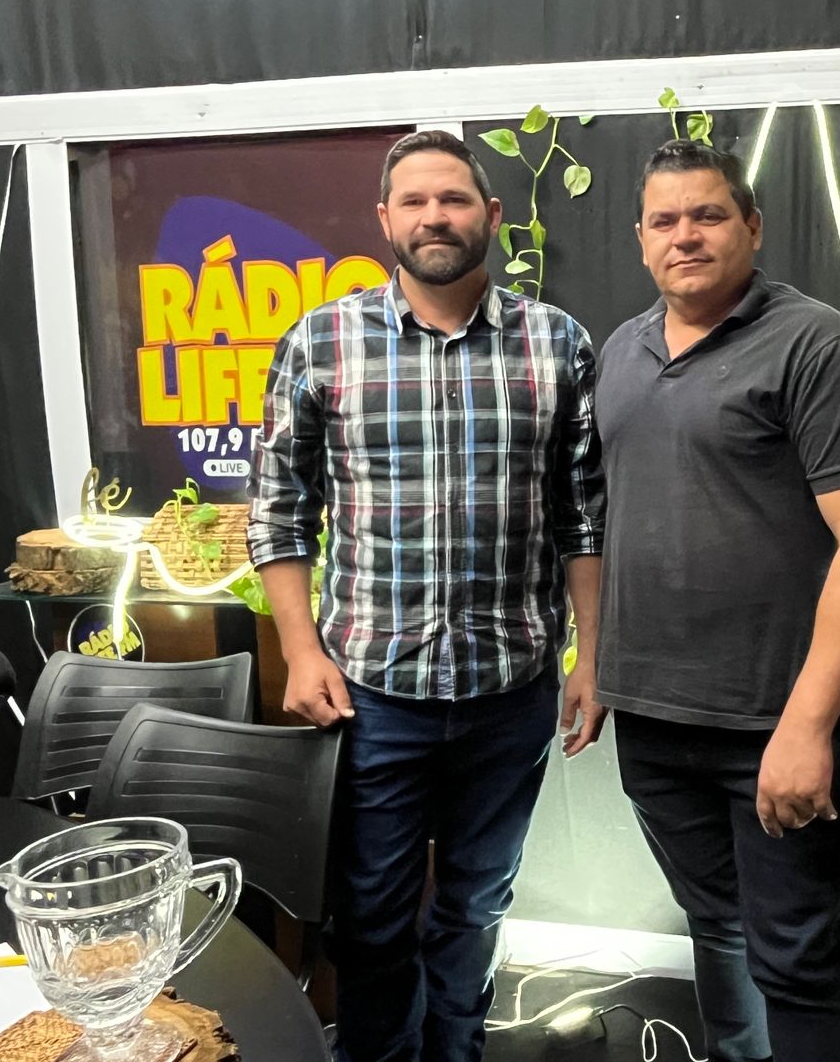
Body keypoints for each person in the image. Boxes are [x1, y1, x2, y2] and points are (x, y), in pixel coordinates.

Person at [247, 129, 606, 1062]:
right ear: (385, 219)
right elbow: (278, 515)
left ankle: (457, 1052)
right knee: (370, 916)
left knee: (476, 905)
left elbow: (584, 520)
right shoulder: (322, 342)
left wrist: (592, 658)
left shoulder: (556, 343)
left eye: (453, 199)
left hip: (509, 693)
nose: (434, 217)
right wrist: (301, 651)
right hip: (372, 696)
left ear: (491, 215)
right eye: (414, 201)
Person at [594, 140, 840, 1062]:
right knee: (717, 931)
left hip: (774, 723)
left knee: (795, 959)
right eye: (665, 221)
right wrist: (596, 663)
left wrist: (809, 724)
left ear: (753, 226)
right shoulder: (623, 351)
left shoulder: (819, 348)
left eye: (708, 215)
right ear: (641, 239)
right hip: (653, 722)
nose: (685, 236)